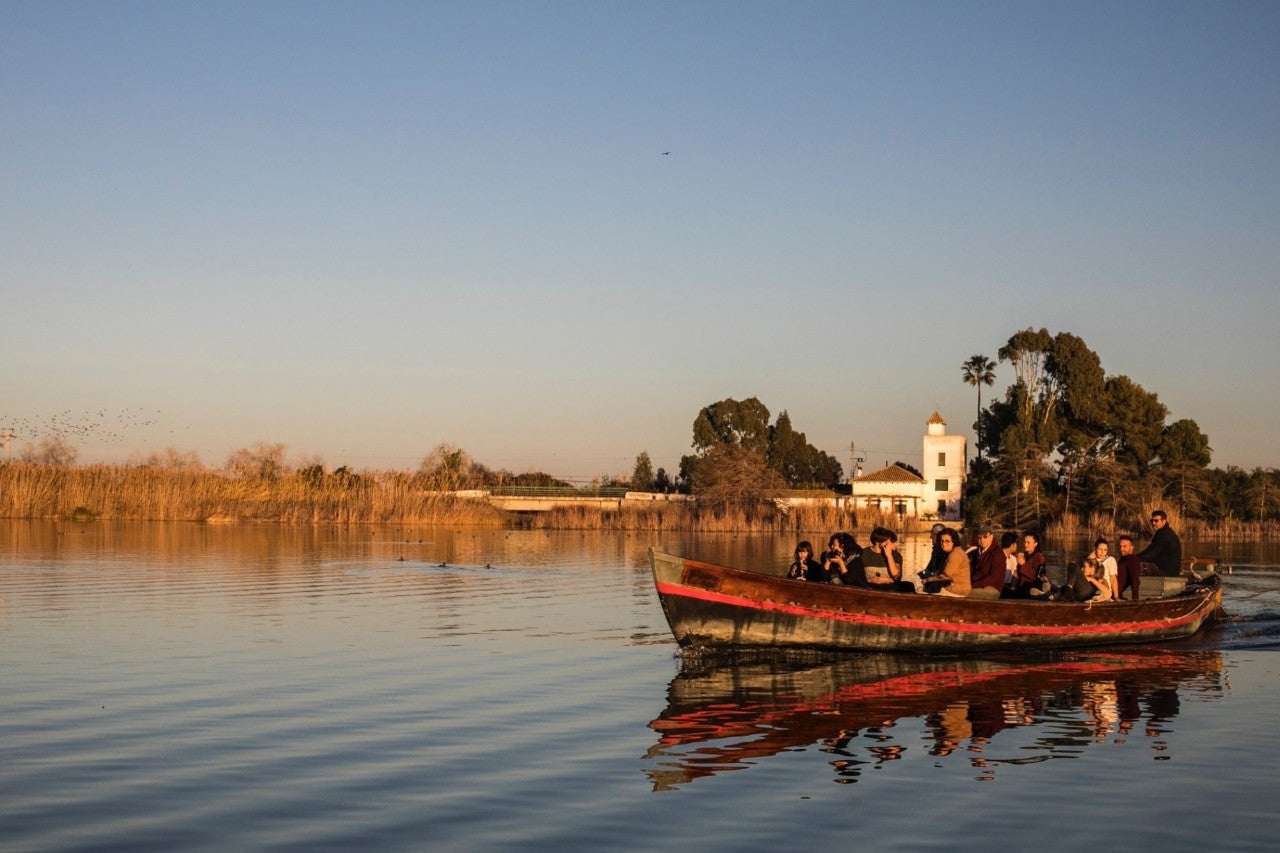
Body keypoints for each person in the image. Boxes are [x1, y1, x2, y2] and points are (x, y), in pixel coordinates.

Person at [1137, 509, 1183, 577]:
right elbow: (1149, 551)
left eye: (1156, 521)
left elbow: (1151, 553)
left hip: (1166, 571)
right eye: (1152, 521)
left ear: (1163, 522)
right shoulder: (1162, 533)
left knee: (1133, 566)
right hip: (1166, 568)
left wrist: (1133, 559)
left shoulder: (1165, 535)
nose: (1153, 523)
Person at [929, 527, 971, 597]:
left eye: (947, 541)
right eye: (942, 541)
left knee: (920, 590)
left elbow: (946, 575)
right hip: (953, 587)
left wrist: (929, 579)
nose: (943, 543)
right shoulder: (952, 552)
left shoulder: (956, 554)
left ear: (954, 542)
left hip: (958, 589)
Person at [968, 525, 1004, 599]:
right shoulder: (976, 552)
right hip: (976, 585)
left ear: (991, 537)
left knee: (965, 593)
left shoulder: (997, 553)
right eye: (979, 537)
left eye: (985, 536)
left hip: (992, 588)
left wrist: (973, 585)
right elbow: (971, 570)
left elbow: (994, 578)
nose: (982, 539)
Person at [1011, 532, 1046, 598]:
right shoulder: (1024, 555)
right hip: (1021, 587)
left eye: (1028, 542)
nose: (1025, 544)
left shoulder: (1039, 556)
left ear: (1035, 544)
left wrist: (1023, 564)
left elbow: (1036, 576)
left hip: (1031, 587)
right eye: (1025, 542)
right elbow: (1018, 574)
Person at [1116, 534, 1142, 600]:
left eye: (1125, 546)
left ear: (1132, 548)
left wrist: (1135, 599)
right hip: (1113, 593)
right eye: (1120, 546)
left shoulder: (1132, 559)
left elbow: (1135, 580)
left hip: (1113, 595)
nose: (1121, 549)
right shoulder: (1122, 561)